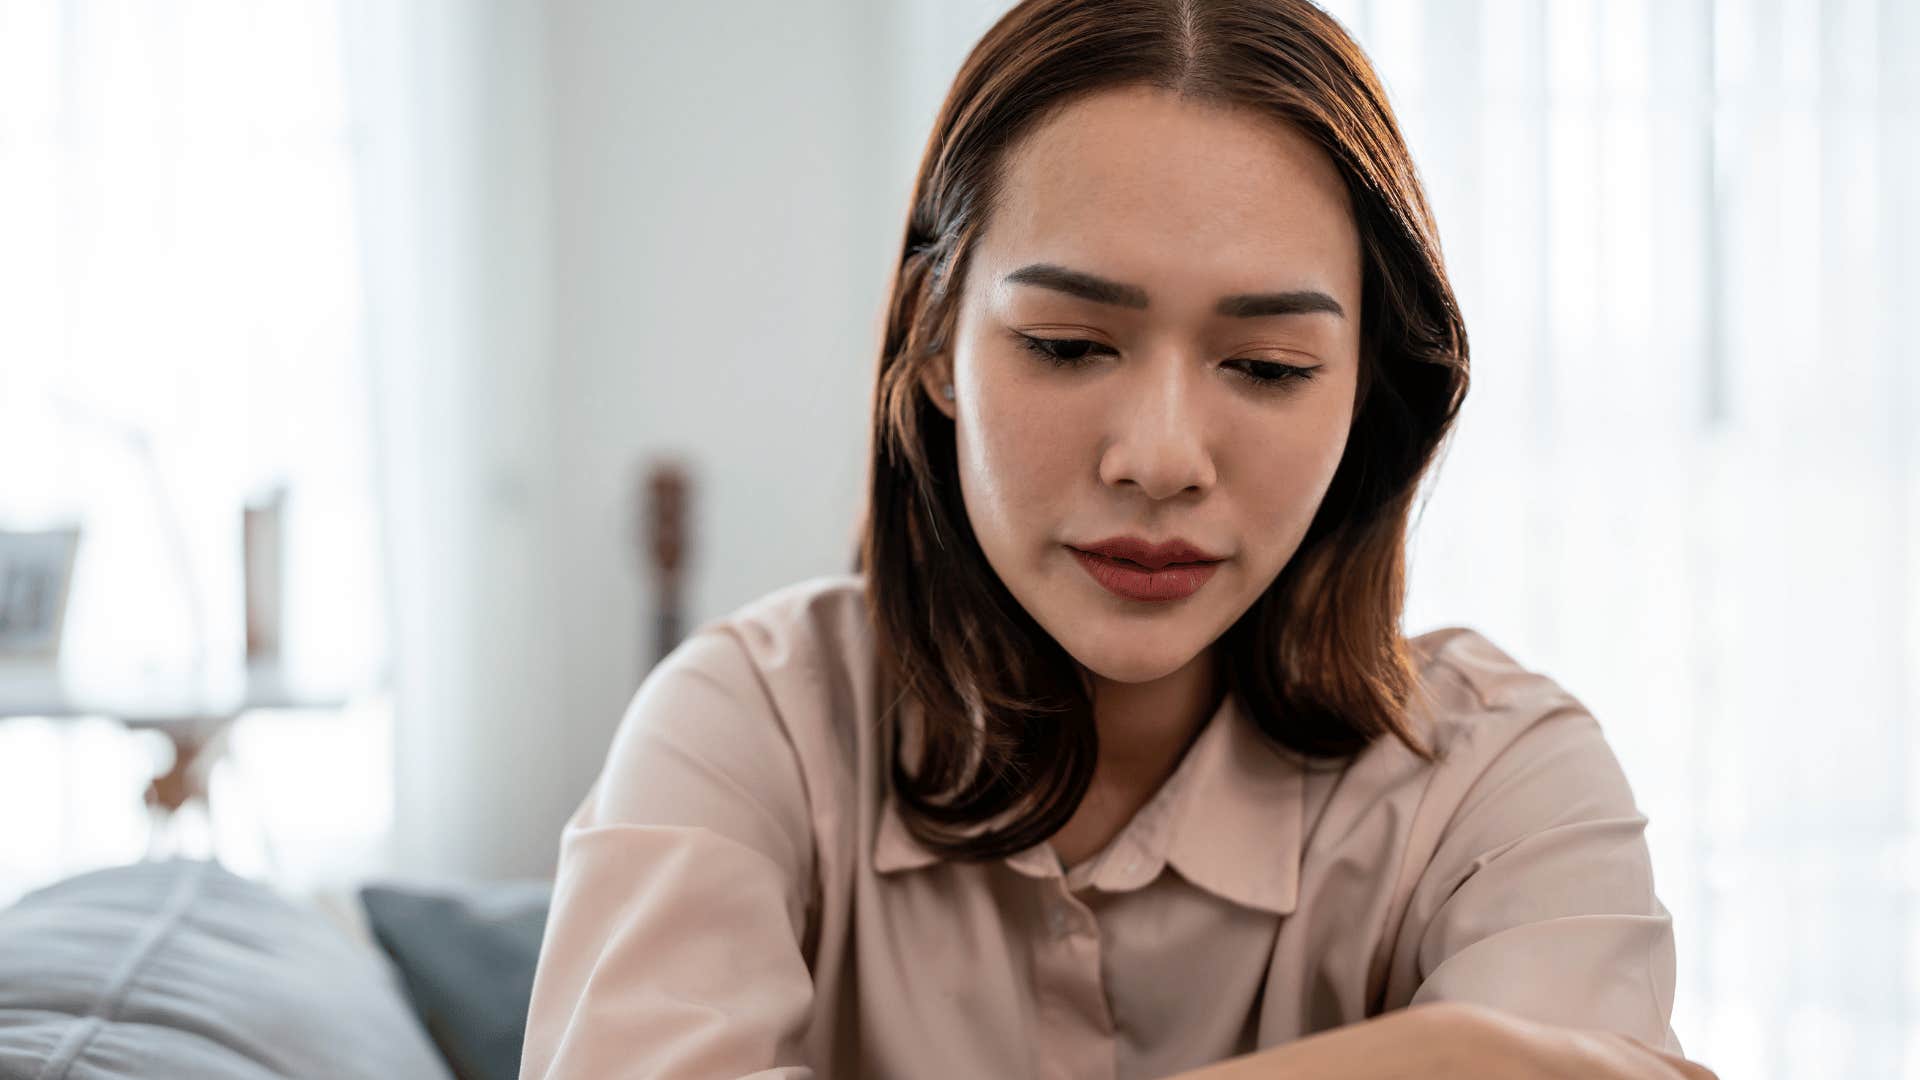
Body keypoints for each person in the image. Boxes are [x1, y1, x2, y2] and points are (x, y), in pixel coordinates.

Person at [519, 1, 1717, 1077]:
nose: (1160, 458)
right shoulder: (750, 728)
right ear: (935, 343)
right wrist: (1441, 1061)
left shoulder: (1501, 781)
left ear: (1365, 392)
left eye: (1266, 366)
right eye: (1069, 345)